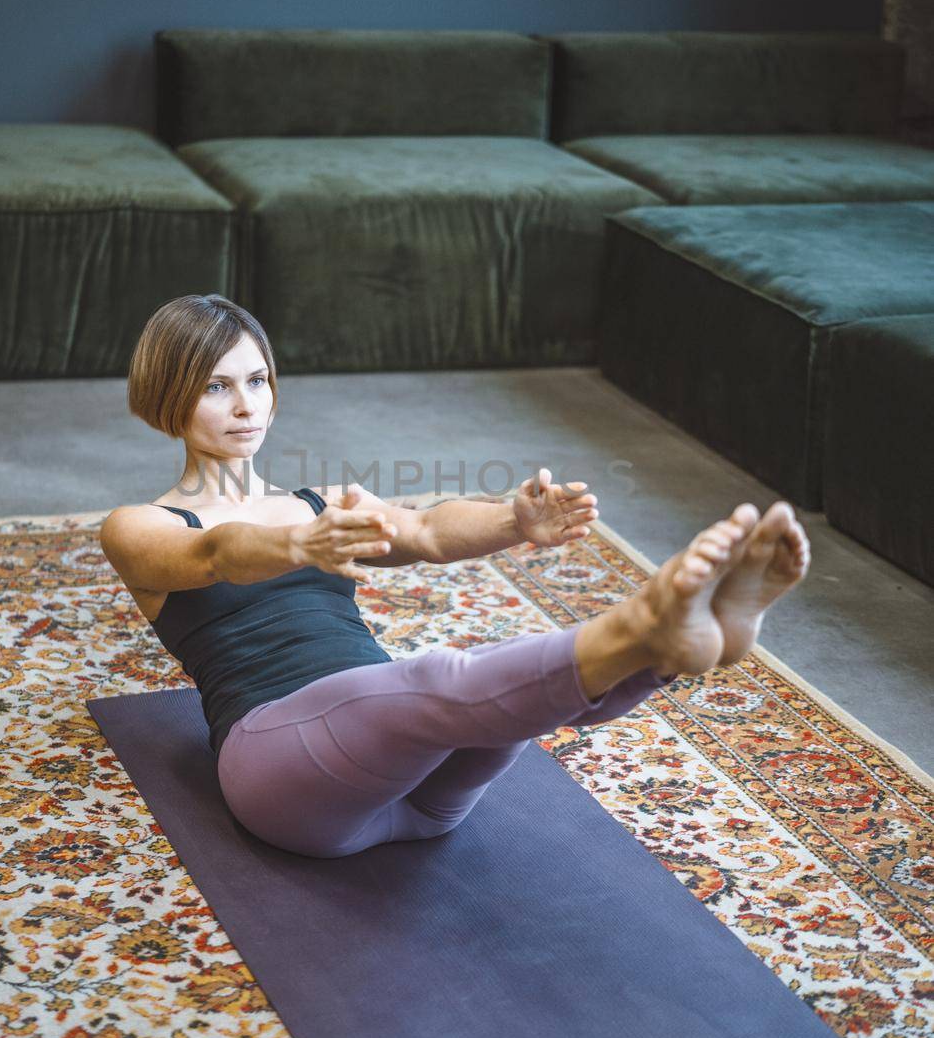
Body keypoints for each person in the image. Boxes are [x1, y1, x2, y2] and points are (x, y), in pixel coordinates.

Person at [100, 294, 811, 859]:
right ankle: (653, 624)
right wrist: (299, 544)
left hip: (423, 787)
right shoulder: (142, 526)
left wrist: (513, 521)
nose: (247, 405)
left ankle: (677, 647)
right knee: (443, 675)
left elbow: (429, 531)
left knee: (500, 711)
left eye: (256, 380)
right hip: (284, 773)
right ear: (168, 395)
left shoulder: (324, 503)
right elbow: (216, 555)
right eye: (217, 387)